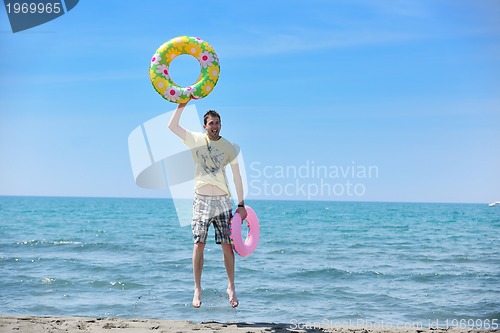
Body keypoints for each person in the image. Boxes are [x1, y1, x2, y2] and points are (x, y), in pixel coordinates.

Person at [168, 100, 247, 308]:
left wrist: (241, 204)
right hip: (201, 200)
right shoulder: (196, 140)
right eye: (211, 123)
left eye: (218, 123)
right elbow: (172, 126)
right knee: (199, 244)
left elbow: (237, 176)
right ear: (205, 126)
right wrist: (182, 103)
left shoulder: (229, 147)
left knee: (227, 246)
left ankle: (231, 287)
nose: (215, 126)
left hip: (222, 201)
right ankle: (197, 288)